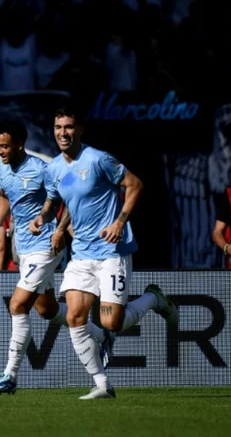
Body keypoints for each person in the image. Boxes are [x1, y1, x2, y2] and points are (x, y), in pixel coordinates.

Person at [30, 107, 179, 400]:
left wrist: (119, 222)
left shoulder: (98, 159)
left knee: (112, 323)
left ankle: (153, 298)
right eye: (58, 127)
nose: (63, 132)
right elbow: (66, 203)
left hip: (112, 250)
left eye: (69, 126)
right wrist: (48, 222)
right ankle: (101, 384)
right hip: (81, 254)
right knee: (74, 317)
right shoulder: (57, 169)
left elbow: (135, 185)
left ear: (80, 129)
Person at [0, 120, 115, 394]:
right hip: (22, 247)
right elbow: (5, 196)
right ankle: (102, 334)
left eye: (5, 146)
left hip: (45, 245)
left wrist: (60, 229)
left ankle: (9, 376)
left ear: (20, 144)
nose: (1, 151)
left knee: (18, 305)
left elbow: (68, 197)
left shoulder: (43, 169)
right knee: (47, 310)